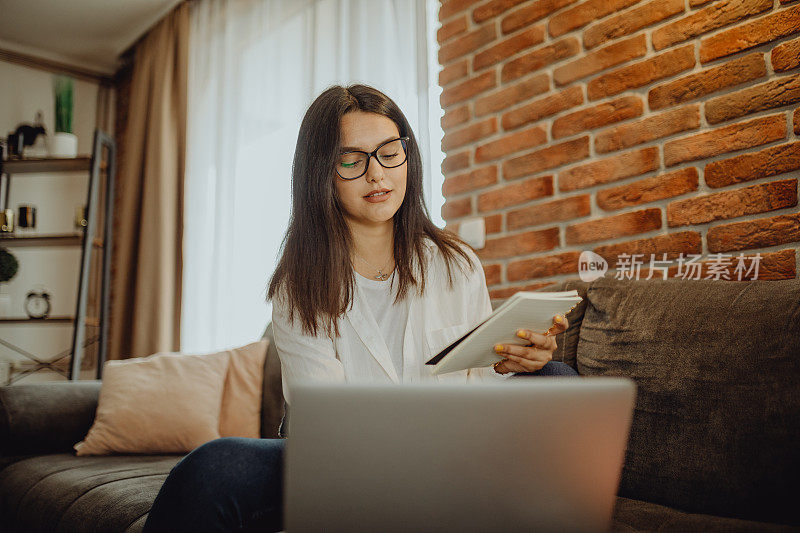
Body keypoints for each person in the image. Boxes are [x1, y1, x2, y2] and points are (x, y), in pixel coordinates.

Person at [143, 84, 576, 533]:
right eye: (352, 160)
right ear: (321, 174)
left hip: (452, 452)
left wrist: (510, 365)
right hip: (343, 462)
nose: (377, 175)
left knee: (557, 380)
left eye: (390, 152)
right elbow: (328, 426)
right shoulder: (299, 286)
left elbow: (478, 390)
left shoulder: (456, 264)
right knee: (213, 469)